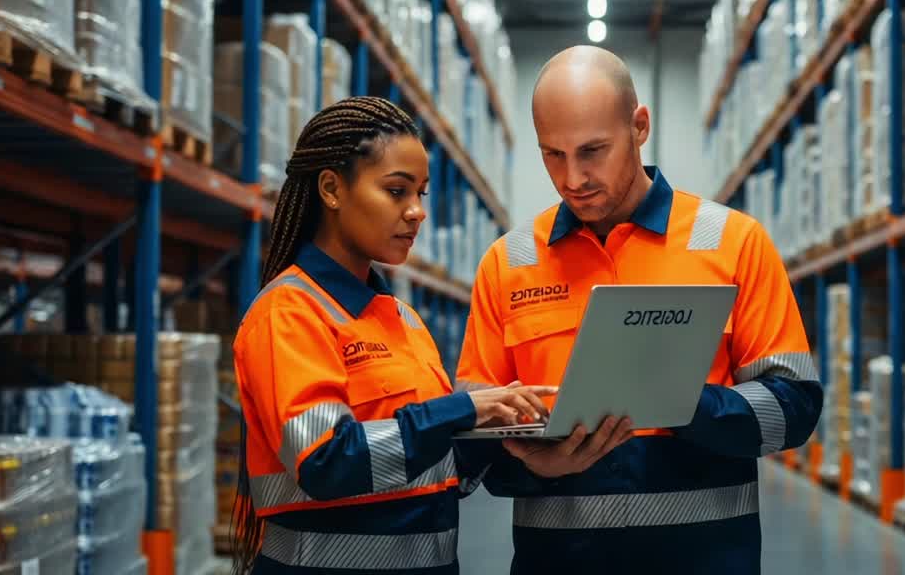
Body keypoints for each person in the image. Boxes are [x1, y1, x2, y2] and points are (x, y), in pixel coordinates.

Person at [455, 46, 824, 574]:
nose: (573, 178)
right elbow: (469, 442)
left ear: (640, 126)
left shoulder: (731, 241)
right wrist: (542, 464)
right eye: (552, 154)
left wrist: (681, 403)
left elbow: (794, 408)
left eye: (593, 150)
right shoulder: (509, 262)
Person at [230, 97, 555, 574]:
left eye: (421, 193)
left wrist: (507, 426)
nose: (417, 211)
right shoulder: (288, 312)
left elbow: (437, 469)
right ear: (332, 189)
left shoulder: (402, 319)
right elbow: (325, 460)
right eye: (397, 190)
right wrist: (460, 410)